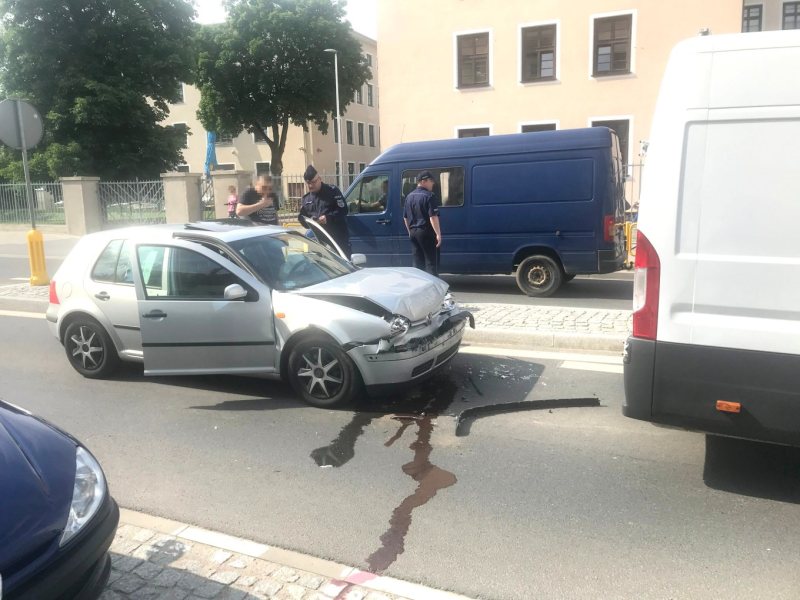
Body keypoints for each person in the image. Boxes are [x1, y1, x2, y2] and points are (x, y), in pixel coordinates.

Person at [298, 165, 350, 256]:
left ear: (319, 179)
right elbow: (302, 219)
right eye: (308, 183)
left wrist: (328, 218)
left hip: (338, 240)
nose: (311, 185)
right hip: (319, 243)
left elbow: (343, 210)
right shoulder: (306, 199)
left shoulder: (332, 191)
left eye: (313, 182)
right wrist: (311, 221)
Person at [403, 170, 442, 276]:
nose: (433, 183)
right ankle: (432, 285)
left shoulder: (409, 196)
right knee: (431, 264)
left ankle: (418, 284)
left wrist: (410, 232)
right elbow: (433, 217)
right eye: (431, 181)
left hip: (413, 233)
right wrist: (438, 234)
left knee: (417, 265)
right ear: (423, 181)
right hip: (426, 233)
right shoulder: (429, 196)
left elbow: (405, 218)